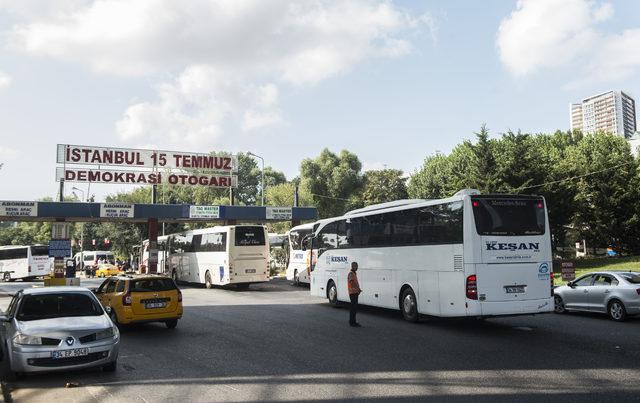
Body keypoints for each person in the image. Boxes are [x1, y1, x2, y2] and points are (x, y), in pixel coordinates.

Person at [347, 261, 362, 327]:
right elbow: (352, 282)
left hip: (354, 292)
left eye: (357, 266)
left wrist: (358, 289)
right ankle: (352, 322)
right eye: (356, 266)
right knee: (353, 308)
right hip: (353, 293)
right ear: (353, 266)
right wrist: (357, 288)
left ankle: (352, 321)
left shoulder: (353, 273)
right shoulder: (351, 273)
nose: (357, 267)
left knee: (354, 308)